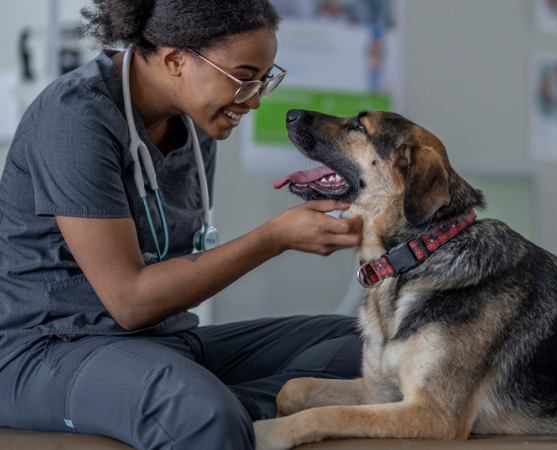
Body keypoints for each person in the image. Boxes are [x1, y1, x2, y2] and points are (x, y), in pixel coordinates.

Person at [0, 1, 364, 449]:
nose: (254, 99)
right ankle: (208, 409)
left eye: (264, 80)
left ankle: (226, 407)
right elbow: (130, 301)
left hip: (163, 342)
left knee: (368, 344)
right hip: (47, 351)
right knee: (204, 417)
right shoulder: (75, 118)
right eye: (244, 78)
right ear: (175, 60)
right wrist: (275, 238)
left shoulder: (193, 126)